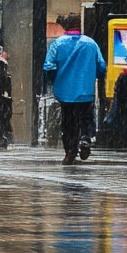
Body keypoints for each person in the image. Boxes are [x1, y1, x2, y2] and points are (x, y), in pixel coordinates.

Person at [43, 12, 106, 165]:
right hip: (85, 91)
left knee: (68, 122)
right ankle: (85, 137)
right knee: (86, 118)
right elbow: (102, 66)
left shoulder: (57, 44)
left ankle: (70, 151)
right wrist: (94, 76)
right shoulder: (91, 43)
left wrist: (55, 80)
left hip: (65, 92)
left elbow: (48, 66)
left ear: (65, 26)